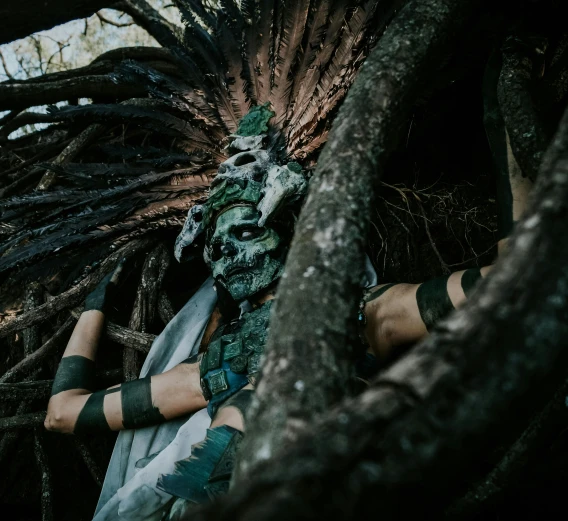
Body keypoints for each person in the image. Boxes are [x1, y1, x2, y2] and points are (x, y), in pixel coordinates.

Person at [44, 101, 525, 519]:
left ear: (288, 233)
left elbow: (515, 281)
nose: (232, 258)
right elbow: (64, 413)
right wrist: (94, 306)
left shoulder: (363, 312)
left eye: (247, 234)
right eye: (218, 249)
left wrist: (504, 123)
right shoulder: (217, 364)